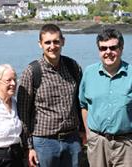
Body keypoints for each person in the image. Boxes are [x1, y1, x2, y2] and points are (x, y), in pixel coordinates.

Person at [79, 28, 132, 167]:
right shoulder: (89, 73)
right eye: (103, 48)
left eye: (113, 47)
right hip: (98, 143)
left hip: (127, 144)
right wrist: (89, 134)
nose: (108, 52)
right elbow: (84, 105)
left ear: (121, 48)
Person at [17, 24, 83, 167]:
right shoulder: (32, 71)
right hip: (44, 143)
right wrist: (29, 147)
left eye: (56, 41)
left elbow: (80, 103)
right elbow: (23, 113)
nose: (52, 46)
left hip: (72, 141)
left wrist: (83, 131)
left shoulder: (73, 67)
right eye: (47, 42)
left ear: (63, 42)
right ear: (40, 44)